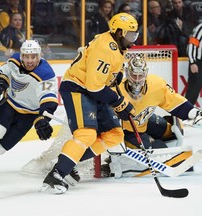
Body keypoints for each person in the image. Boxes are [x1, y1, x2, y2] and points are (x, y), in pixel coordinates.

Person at [40, 13, 139, 194]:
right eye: (130, 34)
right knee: (86, 134)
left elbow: (106, 80)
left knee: (114, 135)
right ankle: (57, 175)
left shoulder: (117, 46)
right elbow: (94, 87)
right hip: (77, 87)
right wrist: (119, 103)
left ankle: (69, 163)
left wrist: (117, 89)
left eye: (134, 35)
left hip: (93, 90)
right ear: (118, 32)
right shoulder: (105, 47)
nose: (133, 39)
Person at [102, 55, 202, 178]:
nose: (137, 80)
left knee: (172, 131)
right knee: (159, 148)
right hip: (127, 131)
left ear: (146, 74)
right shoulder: (116, 89)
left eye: (140, 76)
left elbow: (175, 102)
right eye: (134, 76)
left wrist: (197, 114)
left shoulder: (156, 84)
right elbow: (103, 114)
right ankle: (114, 164)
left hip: (145, 120)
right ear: (127, 74)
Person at [0, 40, 58, 176]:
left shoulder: (45, 74)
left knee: (1, 148)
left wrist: (42, 118)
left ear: (39, 56)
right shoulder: (14, 61)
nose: (30, 60)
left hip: (29, 114)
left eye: (33, 57)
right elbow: (0, 71)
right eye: (26, 56)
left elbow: (48, 98)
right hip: (9, 104)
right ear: (21, 56)